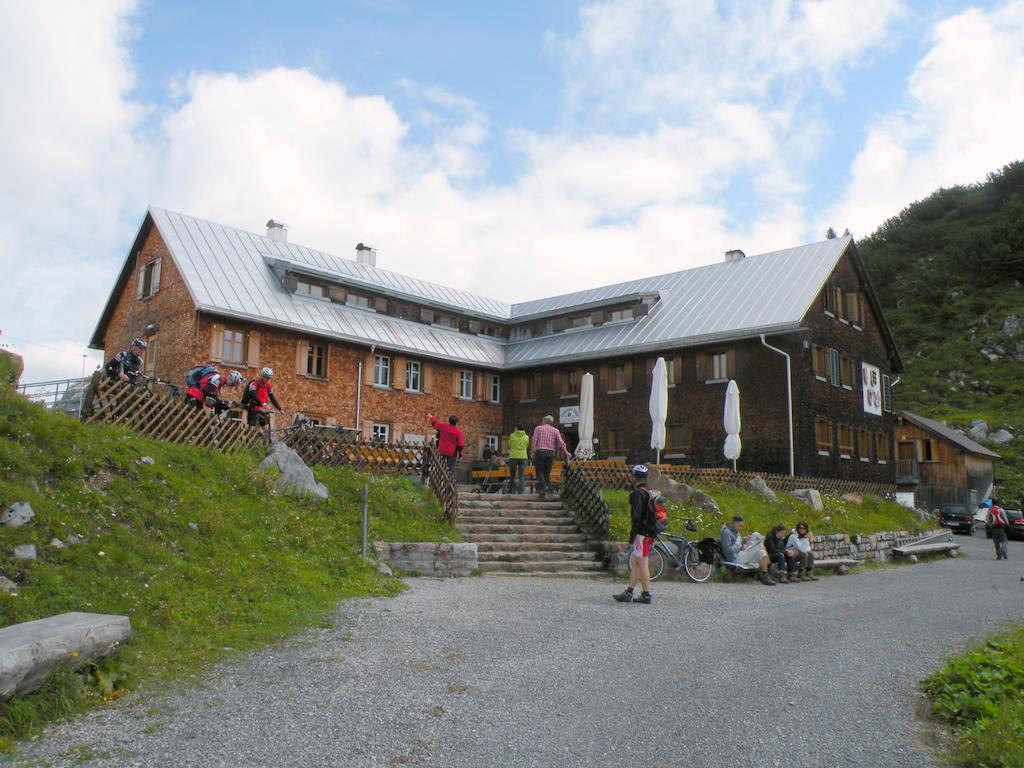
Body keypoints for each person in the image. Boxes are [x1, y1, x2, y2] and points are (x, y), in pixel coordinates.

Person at [613, 465, 659, 604]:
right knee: (636, 562)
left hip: (642, 533)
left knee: (642, 563)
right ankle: (629, 592)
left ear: (634, 477)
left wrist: (632, 537)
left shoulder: (638, 494)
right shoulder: (650, 492)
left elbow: (636, 517)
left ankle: (646, 594)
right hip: (650, 532)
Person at [719, 515, 775, 585]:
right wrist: (740, 547)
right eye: (740, 525)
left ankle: (764, 576)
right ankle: (769, 567)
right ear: (734, 523)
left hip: (741, 554)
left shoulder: (735, 531)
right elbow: (728, 550)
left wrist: (744, 540)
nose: (741, 528)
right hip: (735, 559)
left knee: (761, 552)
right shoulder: (726, 532)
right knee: (758, 541)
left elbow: (736, 543)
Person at [530, 415, 568, 500]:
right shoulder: (555, 430)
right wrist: (566, 452)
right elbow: (561, 442)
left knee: (539, 471)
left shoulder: (538, 428)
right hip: (550, 453)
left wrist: (533, 451)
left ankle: (544, 487)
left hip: (540, 452)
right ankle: (544, 493)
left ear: (544, 421)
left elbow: (534, 440)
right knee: (547, 472)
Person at [507, 424, 529, 495]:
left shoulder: (512, 436)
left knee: (512, 475)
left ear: (516, 428)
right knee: (521, 475)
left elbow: (509, 445)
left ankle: (511, 491)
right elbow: (527, 446)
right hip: (523, 457)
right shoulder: (526, 437)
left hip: (513, 456)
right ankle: (521, 492)